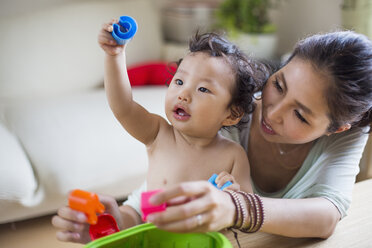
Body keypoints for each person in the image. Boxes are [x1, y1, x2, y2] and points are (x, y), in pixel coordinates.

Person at [51, 20, 267, 243]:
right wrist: (115, 56)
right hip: (148, 230)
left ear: (232, 114)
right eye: (179, 80)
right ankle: (109, 223)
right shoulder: (159, 133)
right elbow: (123, 107)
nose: (183, 94)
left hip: (197, 240)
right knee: (123, 219)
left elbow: (246, 208)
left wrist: (232, 196)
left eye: (203, 89)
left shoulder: (233, 155)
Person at [143, 30, 372, 239]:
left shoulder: (347, 134)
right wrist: (128, 212)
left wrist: (238, 208)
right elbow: (170, 169)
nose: (272, 113)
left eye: (300, 115)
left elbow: (326, 216)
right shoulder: (231, 107)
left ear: (336, 129)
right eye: (279, 85)